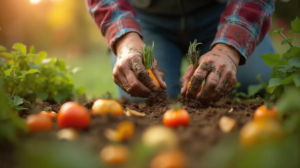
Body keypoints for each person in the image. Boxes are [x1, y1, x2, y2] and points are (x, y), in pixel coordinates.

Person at [86, 0, 275, 103]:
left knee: (253, 82)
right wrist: (125, 39)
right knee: (141, 93)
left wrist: (230, 50)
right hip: (146, 18)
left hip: (224, 11)